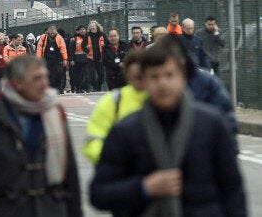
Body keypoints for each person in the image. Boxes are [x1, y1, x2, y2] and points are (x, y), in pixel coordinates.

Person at [89, 39, 246, 216]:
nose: (162, 83)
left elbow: (233, 190)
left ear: (182, 77)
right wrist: (144, 187)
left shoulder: (211, 125)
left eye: (169, 75)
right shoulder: (125, 131)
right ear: (144, 81)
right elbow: (99, 193)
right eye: (154, 77)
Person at [0, 55, 82, 217]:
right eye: (37, 78)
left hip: (53, 208)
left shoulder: (55, 111)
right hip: (11, 209)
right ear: (17, 82)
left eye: (45, 76)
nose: (45, 83)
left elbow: (70, 173)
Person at [83, 50, 147, 164]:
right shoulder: (113, 101)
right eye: (137, 77)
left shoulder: (162, 98)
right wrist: (115, 159)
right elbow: (94, 140)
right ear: (127, 74)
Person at [36, 25, 68, 94]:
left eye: (53, 30)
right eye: (51, 30)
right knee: (48, 74)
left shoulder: (59, 38)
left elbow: (63, 49)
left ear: (56, 30)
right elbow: (39, 48)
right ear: (48, 30)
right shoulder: (43, 37)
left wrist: (65, 59)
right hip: (46, 59)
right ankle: (49, 89)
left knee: (59, 74)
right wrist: (39, 58)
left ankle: (59, 89)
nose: (52, 31)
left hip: (57, 59)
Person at [68, 25, 91, 93]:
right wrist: (71, 59)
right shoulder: (75, 39)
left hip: (87, 59)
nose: (82, 31)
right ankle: (78, 88)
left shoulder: (89, 38)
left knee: (87, 74)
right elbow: (71, 50)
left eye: (83, 29)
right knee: (78, 75)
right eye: (81, 29)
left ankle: (87, 87)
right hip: (77, 60)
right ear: (79, 31)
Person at [87, 21, 106, 91]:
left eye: (93, 26)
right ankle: (95, 87)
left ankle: (99, 84)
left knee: (101, 74)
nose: (92, 27)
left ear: (96, 27)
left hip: (100, 57)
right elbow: (83, 45)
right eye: (91, 26)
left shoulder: (102, 34)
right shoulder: (87, 35)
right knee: (92, 74)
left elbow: (106, 44)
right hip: (91, 58)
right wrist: (87, 51)